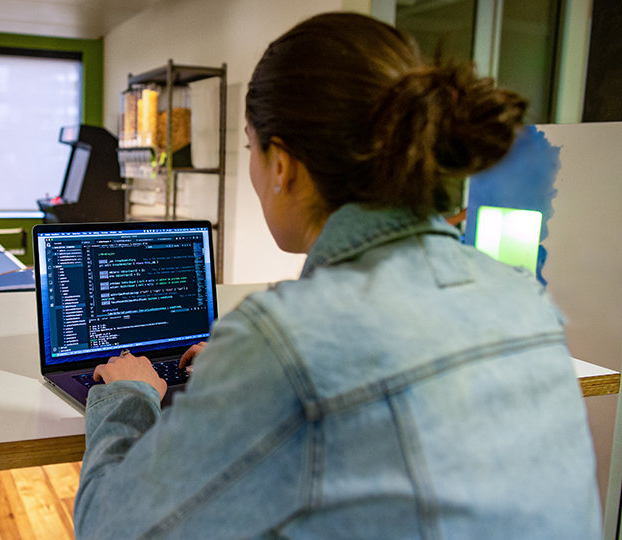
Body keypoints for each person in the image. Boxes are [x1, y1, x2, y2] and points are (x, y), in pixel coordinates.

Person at [73, 12, 601, 539]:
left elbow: (106, 528)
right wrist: (244, 377)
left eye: (249, 147)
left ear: (282, 165)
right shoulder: (520, 297)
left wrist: (131, 398)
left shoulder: (283, 343)